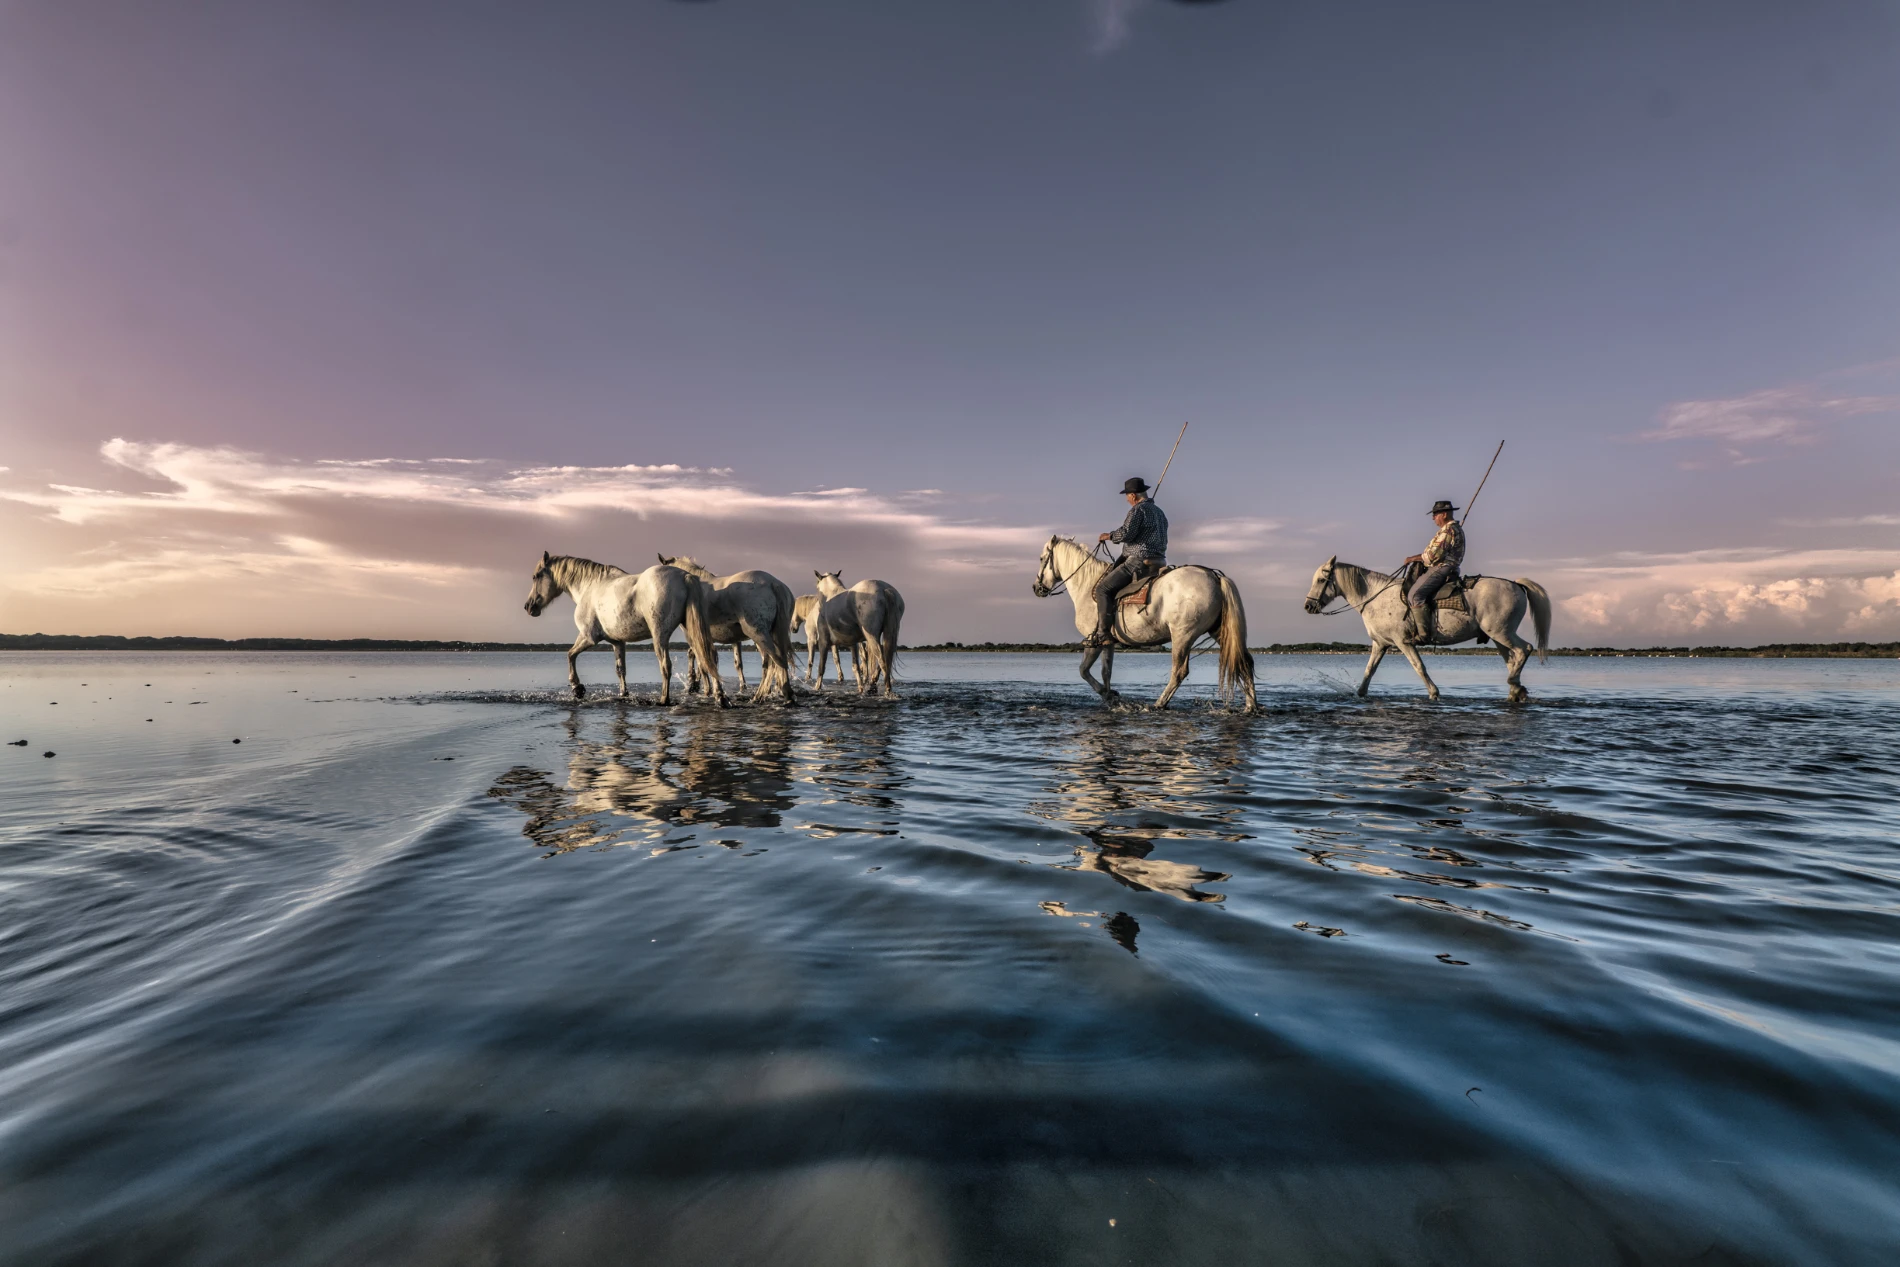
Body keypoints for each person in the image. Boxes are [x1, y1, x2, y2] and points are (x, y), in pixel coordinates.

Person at [1084, 477, 1169, 647]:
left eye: (1127, 496)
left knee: (1102, 589)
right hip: (1160, 561)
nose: (1127, 500)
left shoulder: (1137, 510)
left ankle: (1103, 634)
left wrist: (1109, 536)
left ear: (1133, 495)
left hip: (1139, 561)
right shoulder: (1160, 512)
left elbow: (1126, 533)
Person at [1403, 499, 1465, 644]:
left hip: (1441, 567)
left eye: (1435, 514)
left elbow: (1432, 556)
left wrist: (1412, 559)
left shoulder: (1448, 531)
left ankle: (1423, 635)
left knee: (1414, 594)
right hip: (1448, 567)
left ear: (1444, 514)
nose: (1433, 518)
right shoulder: (1452, 529)